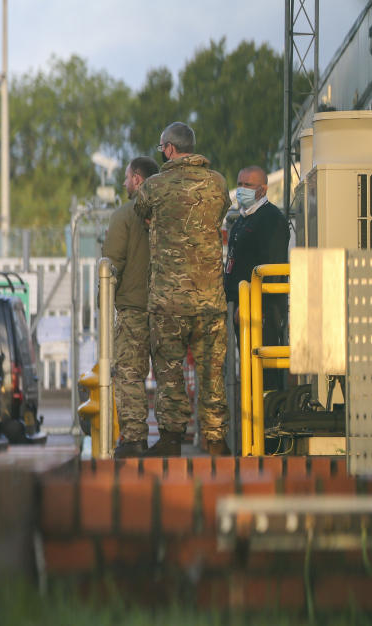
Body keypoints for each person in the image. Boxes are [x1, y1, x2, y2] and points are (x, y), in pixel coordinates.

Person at [133, 122, 231, 457]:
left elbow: (140, 211)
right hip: (210, 300)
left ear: (170, 149)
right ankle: (216, 441)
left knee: (170, 374)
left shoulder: (155, 186)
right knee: (212, 374)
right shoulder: (217, 183)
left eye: (162, 149)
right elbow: (220, 212)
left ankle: (172, 440)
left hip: (168, 301)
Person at [102, 156, 159, 458]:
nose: (124, 183)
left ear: (137, 180)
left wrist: (105, 302)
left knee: (130, 375)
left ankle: (135, 438)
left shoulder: (123, 215)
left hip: (133, 309)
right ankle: (171, 438)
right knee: (169, 375)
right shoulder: (169, 213)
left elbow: (112, 266)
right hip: (167, 309)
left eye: (126, 178)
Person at [224, 166, 290, 391]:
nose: (242, 189)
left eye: (248, 185)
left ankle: (269, 419)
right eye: (239, 184)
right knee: (249, 369)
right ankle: (254, 417)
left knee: (264, 371)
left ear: (262, 189)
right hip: (239, 308)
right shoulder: (242, 219)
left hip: (261, 311)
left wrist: (254, 304)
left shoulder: (271, 219)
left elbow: (272, 266)